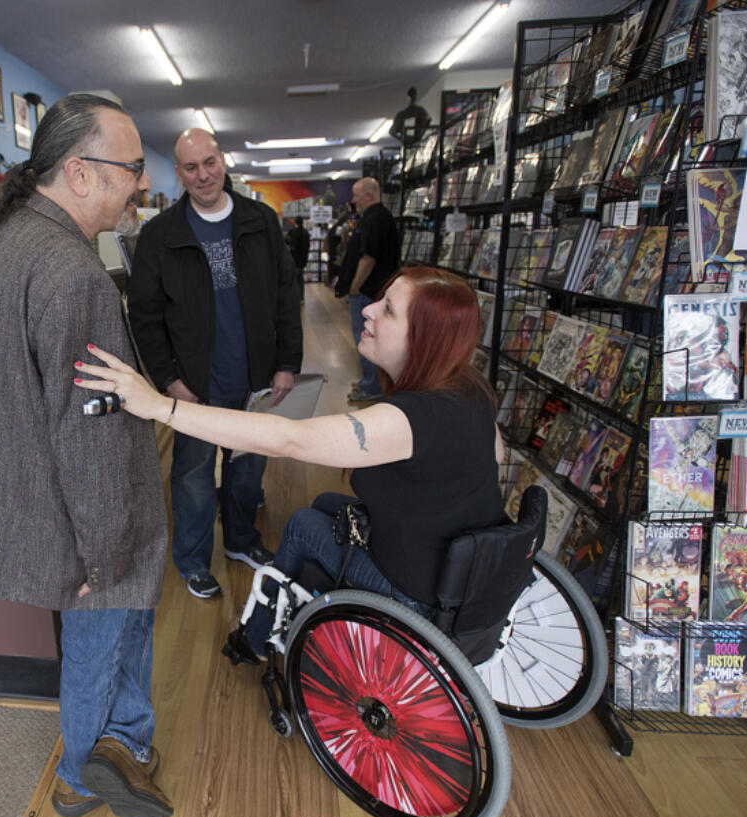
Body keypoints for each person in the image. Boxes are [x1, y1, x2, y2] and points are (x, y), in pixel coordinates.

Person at [75, 266, 505, 659]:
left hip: (419, 592)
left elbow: (288, 439)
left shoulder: (410, 418)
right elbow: (493, 458)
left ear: (422, 338)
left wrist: (159, 407)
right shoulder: (470, 388)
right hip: (465, 571)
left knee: (303, 523)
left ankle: (256, 639)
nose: (368, 309)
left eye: (388, 310)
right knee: (324, 504)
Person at [0, 94, 172, 817]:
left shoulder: (1, 244)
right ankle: (84, 775)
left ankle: (126, 746)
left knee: (108, 631)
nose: (141, 184)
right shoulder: (73, 274)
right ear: (79, 172)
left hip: (31, 496)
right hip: (80, 508)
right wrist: (106, 548)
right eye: (132, 169)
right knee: (102, 632)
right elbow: (89, 435)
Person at [127, 128, 302, 600]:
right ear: (179, 173)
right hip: (196, 385)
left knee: (247, 472)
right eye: (190, 167)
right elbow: (145, 317)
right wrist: (168, 379)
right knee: (193, 479)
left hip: (256, 379)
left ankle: (242, 541)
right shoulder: (159, 236)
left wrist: (287, 361)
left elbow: (287, 295)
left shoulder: (260, 222)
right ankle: (192, 560)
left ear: (222, 161)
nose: (203, 175)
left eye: (209, 162)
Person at [343, 177, 400, 402]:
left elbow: (369, 258)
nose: (354, 201)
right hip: (374, 290)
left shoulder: (375, 219)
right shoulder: (376, 217)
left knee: (365, 337)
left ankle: (371, 386)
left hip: (368, 291)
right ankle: (371, 381)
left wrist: (355, 287)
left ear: (369, 195)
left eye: (357, 196)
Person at [286, 215, 310, 300]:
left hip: (295, 259)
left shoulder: (293, 232)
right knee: (300, 279)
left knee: (295, 279)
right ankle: (301, 298)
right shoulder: (306, 232)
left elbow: (290, 243)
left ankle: (295, 298)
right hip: (303, 259)